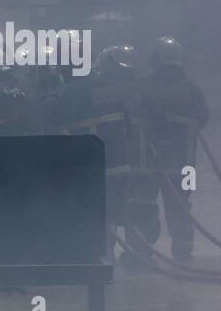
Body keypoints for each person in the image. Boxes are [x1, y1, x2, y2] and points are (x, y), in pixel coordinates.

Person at [61, 44, 157, 265]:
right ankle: (140, 255)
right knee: (133, 208)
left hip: (96, 165)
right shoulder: (134, 90)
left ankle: (101, 262)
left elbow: (59, 116)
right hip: (133, 165)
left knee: (100, 214)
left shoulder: (78, 90)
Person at [140, 37, 209, 262]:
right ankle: (183, 254)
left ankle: (140, 253)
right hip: (185, 166)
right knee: (181, 207)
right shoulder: (191, 89)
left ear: (156, 59)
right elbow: (204, 118)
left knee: (145, 206)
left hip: (150, 162)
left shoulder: (147, 87)